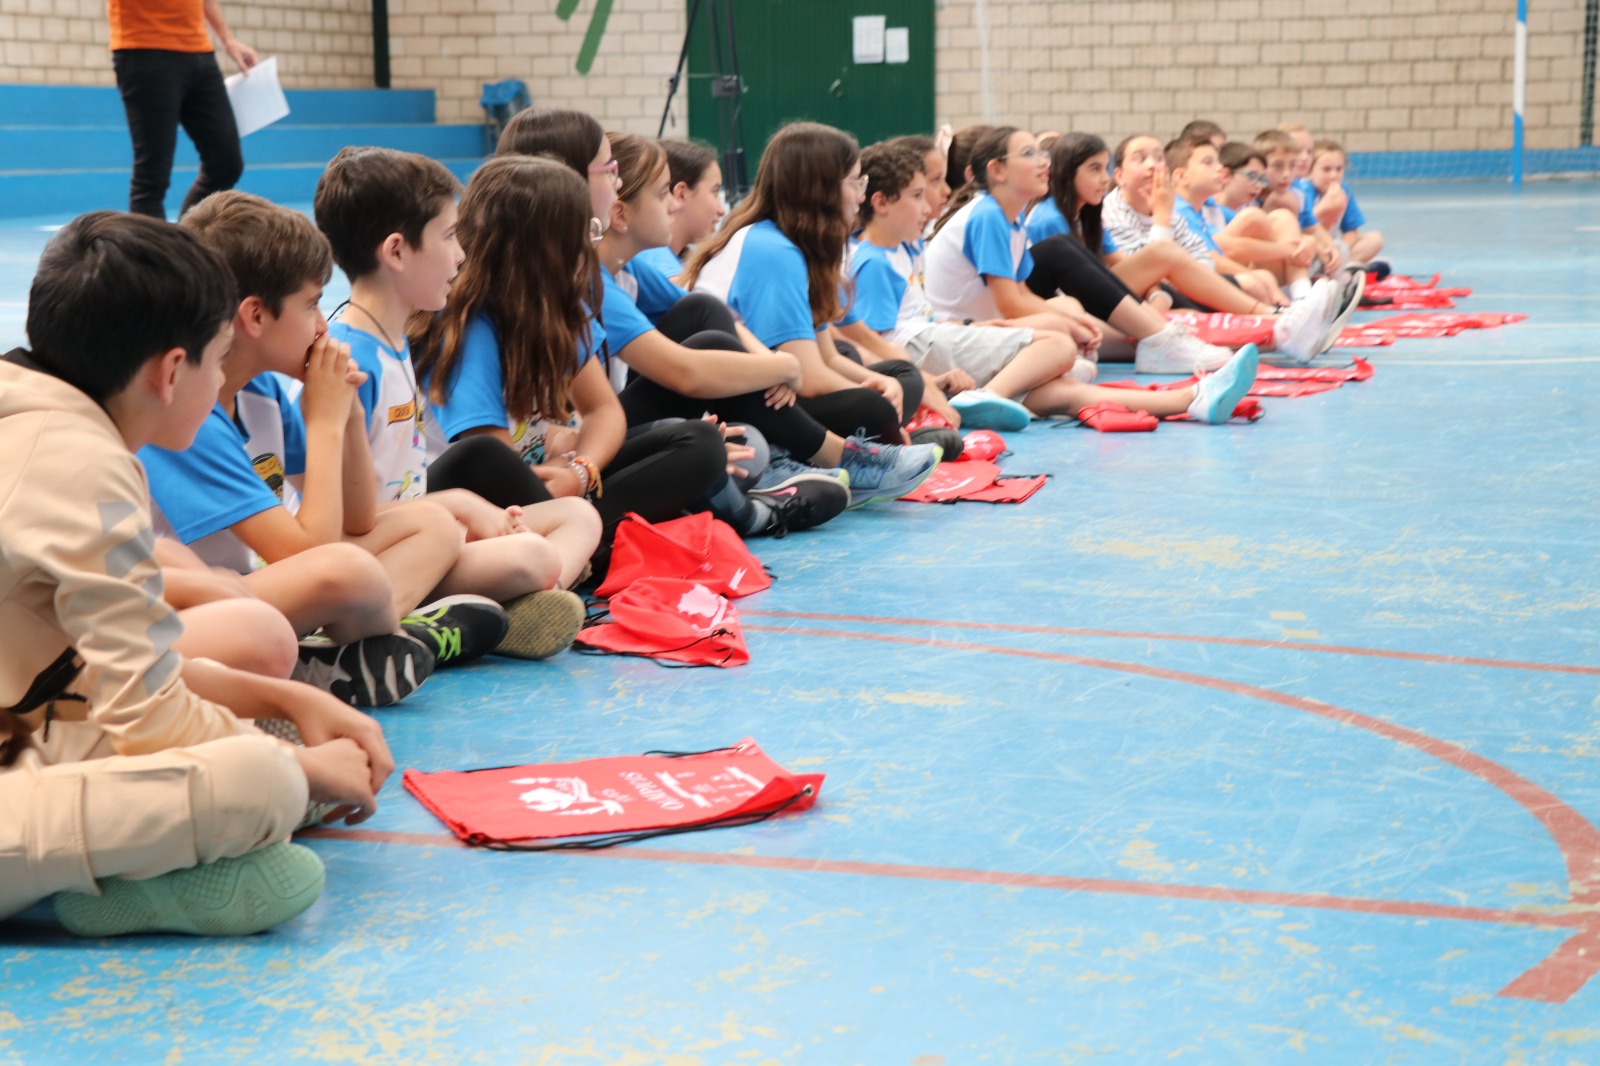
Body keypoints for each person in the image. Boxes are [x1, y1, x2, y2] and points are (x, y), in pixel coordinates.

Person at [1, 211, 390, 937]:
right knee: (259, 782)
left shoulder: (36, 410)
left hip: (15, 724)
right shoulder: (82, 462)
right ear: (172, 370)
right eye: (217, 361)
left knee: (238, 748)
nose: (221, 385)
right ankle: (93, 888)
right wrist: (299, 766)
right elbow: (147, 719)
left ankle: (119, 877)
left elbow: (89, 670)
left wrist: (281, 697)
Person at [312, 148, 601, 657]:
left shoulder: (393, 340)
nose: (462, 255)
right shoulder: (351, 361)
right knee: (530, 554)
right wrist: (458, 509)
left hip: (424, 536)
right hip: (382, 555)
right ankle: (450, 620)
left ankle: (499, 611)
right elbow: (336, 521)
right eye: (449, 237)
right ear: (397, 252)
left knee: (579, 517)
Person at [866, 140, 1258, 423]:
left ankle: (1190, 398)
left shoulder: (923, 243)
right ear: (996, 170)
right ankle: (985, 397)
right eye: (1030, 153)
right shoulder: (988, 218)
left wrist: (988, 327)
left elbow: (941, 317)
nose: (1042, 162)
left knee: (1063, 389)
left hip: (947, 336)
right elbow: (877, 340)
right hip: (929, 348)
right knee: (1059, 342)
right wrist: (930, 380)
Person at [679, 121, 942, 502]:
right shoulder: (773, 250)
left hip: (776, 387)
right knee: (873, 404)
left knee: (900, 377)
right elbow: (810, 376)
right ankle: (841, 455)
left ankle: (852, 445)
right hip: (735, 401)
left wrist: (883, 384)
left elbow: (827, 354)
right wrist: (873, 395)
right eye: (854, 183)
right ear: (820, 188)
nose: (860, 195)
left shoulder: (795, 244)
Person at [110, 0, 256, 218]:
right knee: (152, 176)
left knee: (226, 163)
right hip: (144, 50)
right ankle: (148, 252)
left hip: (200, 52)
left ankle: (190, 238)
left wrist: (228, 39)